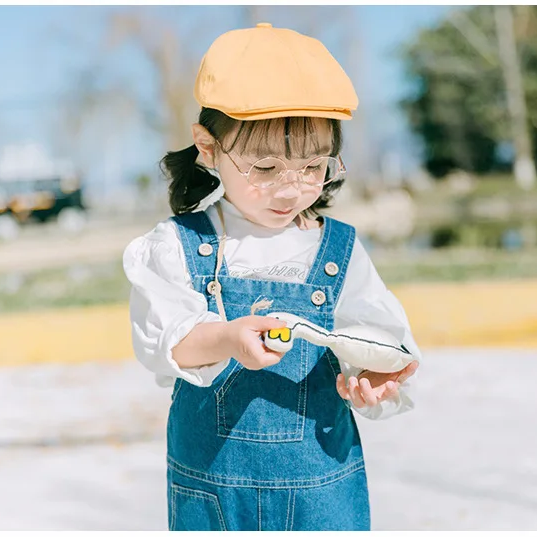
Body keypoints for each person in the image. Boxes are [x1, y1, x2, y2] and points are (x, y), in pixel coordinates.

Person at [123, 22, 421, 531]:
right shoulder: (178, 246)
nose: (290, 189)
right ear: (208, 146)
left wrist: (370, 378)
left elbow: (374, 335)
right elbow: (165, 343)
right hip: (214, 491)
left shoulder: (338, 251)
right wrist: (227, 337)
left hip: (324, 488)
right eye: (264, 168)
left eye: (312, 167)